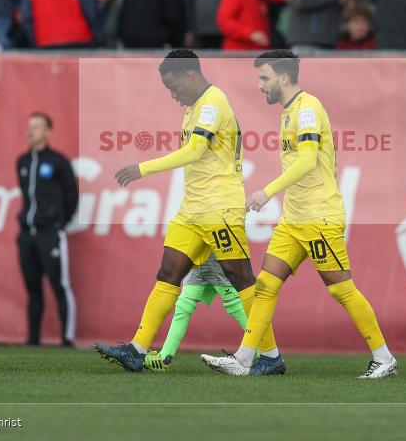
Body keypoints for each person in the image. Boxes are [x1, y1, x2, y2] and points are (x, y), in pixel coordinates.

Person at [201, 50, 398, 378]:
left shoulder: (307, 109)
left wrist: (266, 192)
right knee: (264, 285)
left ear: (283, 77)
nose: (260, 85)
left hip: (319, 217)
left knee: (340, 288)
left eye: (264, 78)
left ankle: (384, 357)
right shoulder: (290, 112)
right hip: (294, 219)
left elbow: (307, 161)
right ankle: (245, 359)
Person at [95, 50, 280, 373]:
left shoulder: (212, 102)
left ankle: (270, 355)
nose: (172, 94)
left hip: (219, 207)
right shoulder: (195, 106)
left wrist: (143, 169)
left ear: (191, 76)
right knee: (168, 273)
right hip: (192, 209)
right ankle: (137, 350)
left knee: (241, 279)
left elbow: (194, 151)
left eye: (174, 86)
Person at [16, 112, 79, 347]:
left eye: (36, 127)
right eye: (28, 126)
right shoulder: (22, 162)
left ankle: (67, 339)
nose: (30, 131)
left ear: (47, 131)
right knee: (32, 287)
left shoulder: (58, 162)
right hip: (26, 235)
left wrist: (58, 223)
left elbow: (72, 196)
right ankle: (32, 340)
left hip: (49, 233)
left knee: (59, 284)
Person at [144, 254, 249, 371]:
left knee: (235, 304)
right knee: (183, 306)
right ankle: (164, 358)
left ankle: (261, 349)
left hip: (213, 255)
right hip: (196, 259)